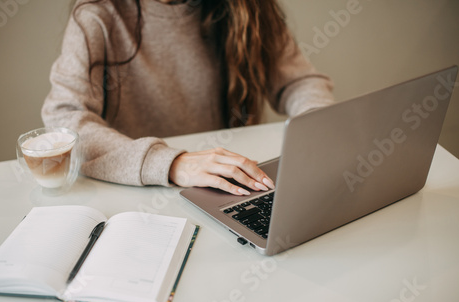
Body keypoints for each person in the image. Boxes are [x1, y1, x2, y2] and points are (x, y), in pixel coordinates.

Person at [41, 0, 334, 195]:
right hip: (134, 191)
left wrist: (318, 127)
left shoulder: (248, 6)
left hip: (218, 185)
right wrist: (171, 163)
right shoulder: (99, 12)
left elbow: (301, 83)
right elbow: (65, 120)